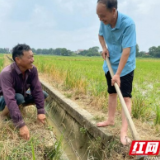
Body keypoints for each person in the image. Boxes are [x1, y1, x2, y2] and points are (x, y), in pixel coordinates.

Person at [96, 0, 136, 145]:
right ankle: (110, 120)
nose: (100, 19)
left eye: (103, 16)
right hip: (110, 63)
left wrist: (118, 74)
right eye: (98, 16)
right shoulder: (103, 20)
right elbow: (100, 35)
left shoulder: (128, 24)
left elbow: (127, 51)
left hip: (125, 67)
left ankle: (124, 132)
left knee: (125, 98)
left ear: (113, 11)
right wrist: (104, 47)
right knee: (112, 93)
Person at [0, 44, 48, 140]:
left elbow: (37, 89)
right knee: (18, 98)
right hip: (5, 99)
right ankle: (3, 114)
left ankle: (20, 107)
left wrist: (40, 112)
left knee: (43, 94)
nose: (33, 60)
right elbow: (10, 99)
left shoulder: (32, 70)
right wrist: (21, 125)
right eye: (29, 57)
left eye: (32, 56)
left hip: (21, 95)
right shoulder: (7, 73)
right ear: (18, 60)